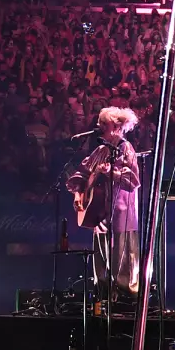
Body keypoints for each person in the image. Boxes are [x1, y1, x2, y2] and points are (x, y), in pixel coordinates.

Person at [67, 107, 141, 300]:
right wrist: (78, 194)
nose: (99, 126)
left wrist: (112, 173)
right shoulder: (100, 150)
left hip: (120, 215)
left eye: (104, 123)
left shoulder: (126, 148)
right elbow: (80, 175)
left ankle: (124, 300)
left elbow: (133, 180)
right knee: (101, 262)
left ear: (116, 126)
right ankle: (103, 297)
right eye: (99, 122)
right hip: (100, 214)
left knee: (121, 261)